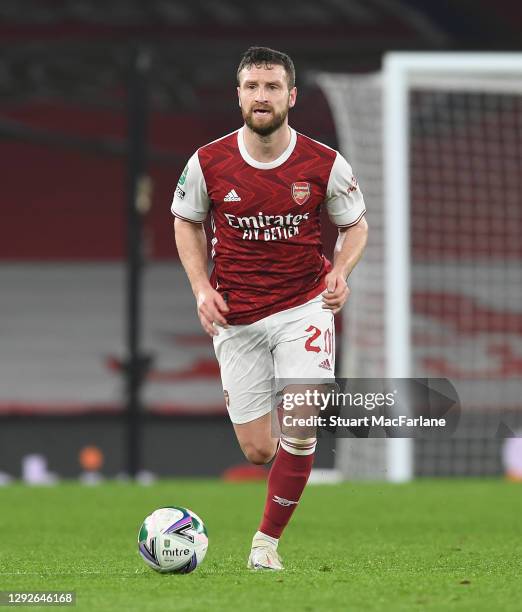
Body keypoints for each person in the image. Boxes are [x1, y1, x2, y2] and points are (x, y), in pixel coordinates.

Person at [172, 46, 368, 570]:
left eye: (272, 87)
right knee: (259, 450)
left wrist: (340, 272)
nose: (262, 96)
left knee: (302, 421)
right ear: (239, 95)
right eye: (253, 87)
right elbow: (186, 222)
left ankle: (266, 545)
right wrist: (199, 288)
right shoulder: (208, 163)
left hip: (304, 305)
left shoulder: (323, 163)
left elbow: (355, 225)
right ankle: (285, 471)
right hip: (236, 315)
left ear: (291, 97)